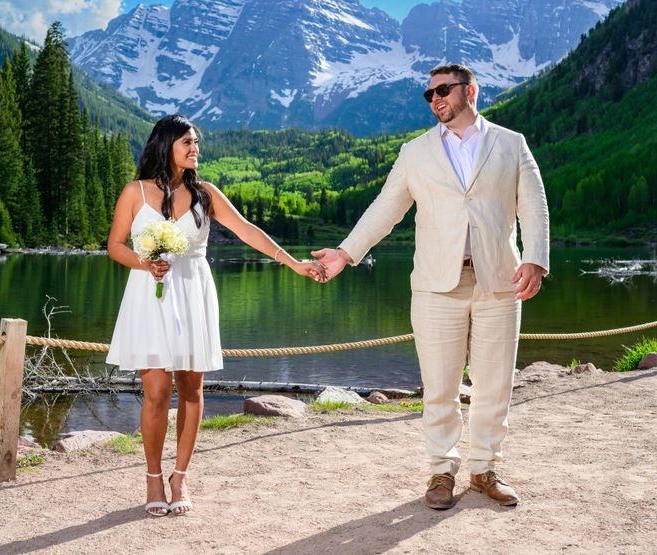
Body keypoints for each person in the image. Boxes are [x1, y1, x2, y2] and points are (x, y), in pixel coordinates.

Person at [312, 63, 549, 510]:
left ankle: (484, 470)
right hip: (436, 287)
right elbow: (386, 209)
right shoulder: (415, 151)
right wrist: (345, 253)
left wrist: (536, 258)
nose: (435, 99)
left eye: (443, 90)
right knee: (439, 386)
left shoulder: (511, 143)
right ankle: (442, 470)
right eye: (429, 94)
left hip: (499, 281)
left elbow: (534, 207)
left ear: (470, 91)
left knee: (494, 384)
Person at [106, 114, 324, 517]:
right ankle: (153, 477)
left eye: (197, 143)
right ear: (165, 144)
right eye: (187, 142)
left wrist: (293, 263)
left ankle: (180, 474)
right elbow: (114, 245)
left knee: (191, 390)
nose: (195, 149)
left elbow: (247, 230)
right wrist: (143, 263)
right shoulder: (135, 192)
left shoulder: (205, 193)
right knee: (155, 393)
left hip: (193, 293)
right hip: (149, 296)